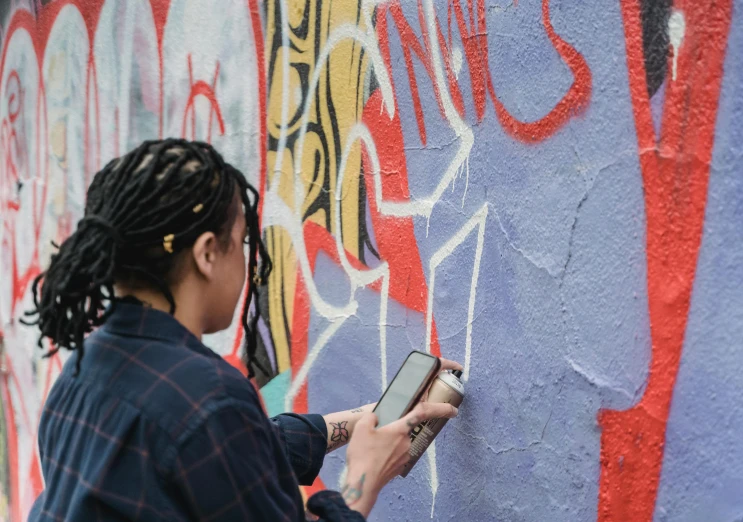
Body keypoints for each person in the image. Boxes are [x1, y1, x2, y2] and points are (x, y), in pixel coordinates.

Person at [25, 139, 460, 521]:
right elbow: (216, 436)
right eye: (244, 240)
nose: (249, 262)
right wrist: (361, 483)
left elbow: (235, 452)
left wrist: (370, 418)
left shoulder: (82, 371)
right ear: (208, 253)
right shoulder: (208, 399)